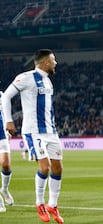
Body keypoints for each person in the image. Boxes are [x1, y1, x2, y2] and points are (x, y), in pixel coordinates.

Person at [2, 49, 64, 223]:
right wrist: (8, 120)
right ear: (44, 62)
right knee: (45, 167)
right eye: (53, 60)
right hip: (33, 131)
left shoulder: (48, 81)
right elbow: (6, 96)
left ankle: (53, 205)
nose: (56, 63)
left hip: (51, 131)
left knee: (58, 168)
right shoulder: (26, 77)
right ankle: (39, 203)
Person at [0, 91, 14, 212]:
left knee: (6, 164)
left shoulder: (1, 95)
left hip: (1, 135)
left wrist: (7, 130)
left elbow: (4, 113)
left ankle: (4, 189)